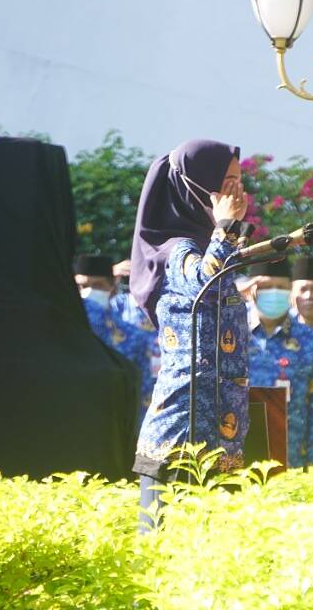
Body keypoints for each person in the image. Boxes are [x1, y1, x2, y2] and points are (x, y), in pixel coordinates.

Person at [128, 139, 251, 530]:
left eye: (239, 182)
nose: (236, 193)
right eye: (226, 182)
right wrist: (227, 227)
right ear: (195, 186)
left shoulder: (209, 245)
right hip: (180, 435)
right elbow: (205, 283)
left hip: (219, 434)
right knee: (164, 555)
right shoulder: (177, 249)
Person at [244, 257, 313, 468]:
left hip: (291, 461)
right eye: (265, 286)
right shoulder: (229, 337)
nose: (273, 292)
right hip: (236, 460)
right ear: (251, 290)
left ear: (290, 291)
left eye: (281, 287)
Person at [75, 254, 158, 422]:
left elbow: (142, 396)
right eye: (82, 286)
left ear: (112, 287)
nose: (88, 292)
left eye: (98, 285)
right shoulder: (61, 328)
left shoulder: (134, 339)